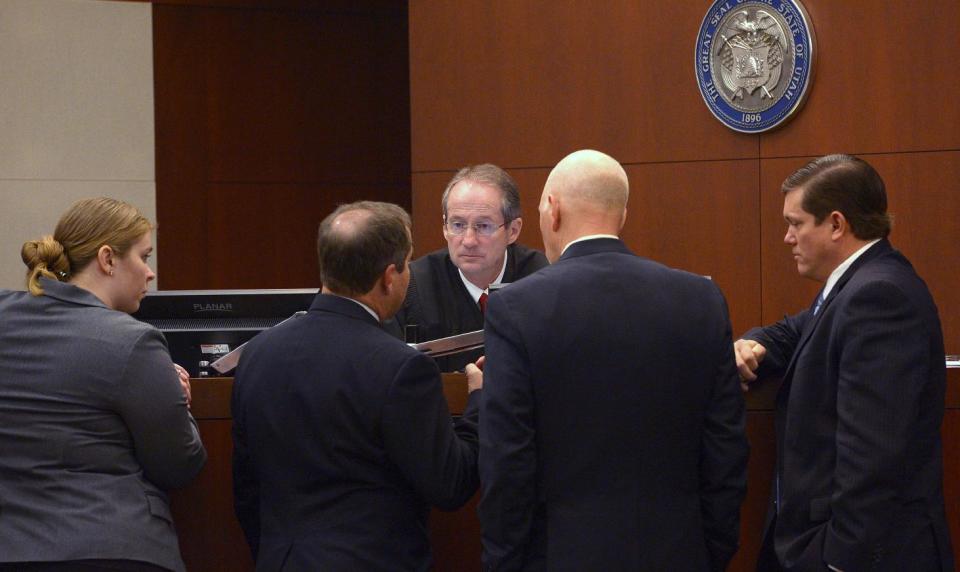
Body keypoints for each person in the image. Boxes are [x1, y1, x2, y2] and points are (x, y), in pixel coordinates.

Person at [478, 150, 749, 571]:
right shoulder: (700, 300)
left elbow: (507, 462)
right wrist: (712, 550)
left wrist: (503, 562)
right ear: (622, 215)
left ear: (553, 210)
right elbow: (725, 450)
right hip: (680, 552)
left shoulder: (517, 308)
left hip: (560, 556)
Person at [231, 201, 483, 571]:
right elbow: (451, 484)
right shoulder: (400, 368)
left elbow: (246, 490)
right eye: (407, 265)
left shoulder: (256, 355)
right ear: (388, 276)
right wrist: (479, 400)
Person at [734, 154, 955, 571]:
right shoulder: (858, 286)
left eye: (796, 223)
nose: (787, 238)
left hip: (863, 556)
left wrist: (837, 560)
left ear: (836, 224)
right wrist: (752, 344)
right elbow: (795, 333)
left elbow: (873, 456)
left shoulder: (879, 297)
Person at [0, 197, 207, 572]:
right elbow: (178, 465)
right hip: (111, 547)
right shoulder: (133, 341)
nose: (150, 273)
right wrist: (180, 401)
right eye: (144, 256)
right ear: (108, 259)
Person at [388, 164, 548, 371]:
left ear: (513, 230)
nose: (469, 240)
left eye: (483, 226)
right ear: (445, 227)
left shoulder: (539, 279)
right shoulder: (413, 284)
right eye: (458, 225)